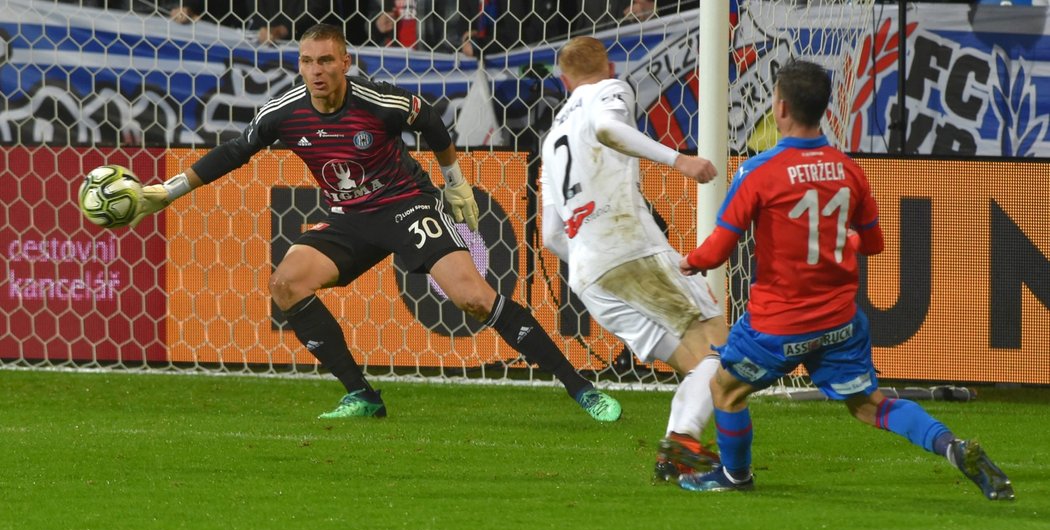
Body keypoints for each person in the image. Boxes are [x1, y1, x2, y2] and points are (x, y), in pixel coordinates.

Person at [128, 23, 622, 422]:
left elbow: (430, 120)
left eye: (326, 60)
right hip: (347, 218)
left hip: (406, 205)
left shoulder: (377, 101)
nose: (316, 71)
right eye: (306, 61)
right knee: (287, 284)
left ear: (345, 63)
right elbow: (236, 151)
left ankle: (579, 387)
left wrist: (454, 182)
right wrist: (166, 193)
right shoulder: (284, 113)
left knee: (473, 296)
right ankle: (362, 396)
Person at [676, 60, 1014, 500]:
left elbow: (719, 250)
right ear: (822, 108)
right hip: (838, 323)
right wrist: (847, 238)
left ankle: (735, 476)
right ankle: (952, 446)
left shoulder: (758, 171)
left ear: (779, 107)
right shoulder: (848, 169)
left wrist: (690, 262)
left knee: (725, 388)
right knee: (869, 405)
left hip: (778, 324)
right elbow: (874, 244)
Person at [539, 36, 725, 480]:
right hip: (628, 249)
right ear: (610, 66)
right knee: (724, 351)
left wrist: (594, 256)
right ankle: (681, 449)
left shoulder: (551, 139)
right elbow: (607, 129)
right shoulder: (607, 91)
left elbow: (550, 235)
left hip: (588, 275)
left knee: (698, 364)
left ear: (563, 80)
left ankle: (678, 454)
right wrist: (679, 160)